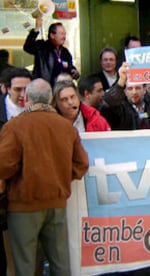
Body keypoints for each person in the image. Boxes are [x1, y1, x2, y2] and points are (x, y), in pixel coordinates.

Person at [0, 78, 89, 276]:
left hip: (23, 206)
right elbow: (82, 164)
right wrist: (60, 177)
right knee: (61, 263)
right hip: (57, 204)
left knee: (26, 265)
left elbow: (3, 166)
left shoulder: (15, 126)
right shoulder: (66, 127)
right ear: (50, 99)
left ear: (26, 99)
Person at [0, 66, 32, 276]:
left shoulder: (38, 110)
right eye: (17, 90)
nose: (22, 95)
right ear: (4, 88)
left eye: (26, 90)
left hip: (30, 192)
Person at [23, 17, 79, 87]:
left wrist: (74, 71)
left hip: (60, 90)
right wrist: (36, 29)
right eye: (61, 34)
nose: (64, 37)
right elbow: (27, 47)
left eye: (65, 34)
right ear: (52, 35)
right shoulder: (42, 47)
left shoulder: (65, 52)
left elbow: (68, 67)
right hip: (44, 89)